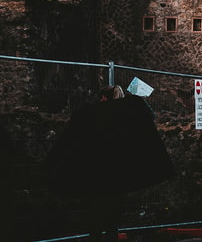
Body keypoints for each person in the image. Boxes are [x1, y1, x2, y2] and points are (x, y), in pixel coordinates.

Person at [48, 85, 175, 242]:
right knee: (112, 222)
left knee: (94, 221)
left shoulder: (91, 115)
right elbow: (148, 114)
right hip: (116, 178)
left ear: (103, 98)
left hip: (94, 176)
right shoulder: (126, 117)